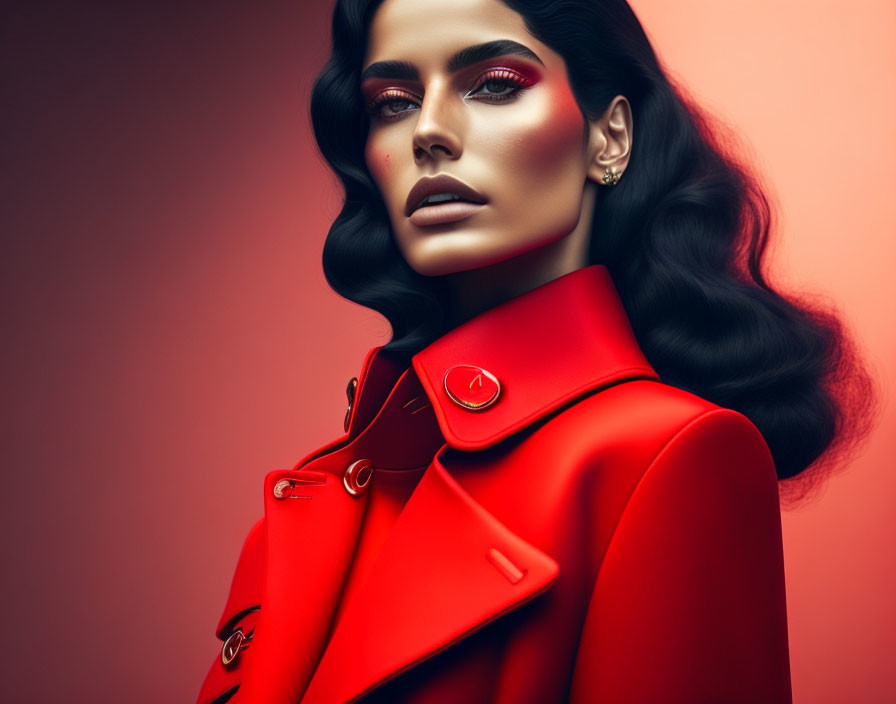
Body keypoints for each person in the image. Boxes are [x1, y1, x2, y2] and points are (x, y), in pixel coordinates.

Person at [196, 0, 877, 702]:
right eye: (393, 102)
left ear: (608, 138)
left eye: (493, 83)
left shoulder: (668, 455)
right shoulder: (323, 491)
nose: (428, 132)